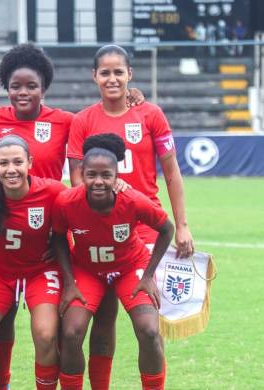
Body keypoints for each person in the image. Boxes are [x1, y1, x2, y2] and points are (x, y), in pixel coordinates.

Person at [0, 42, 141, 389]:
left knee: (55, 330)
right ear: (6, 86)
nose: (23, 93)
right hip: (6, 239)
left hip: (52, 240)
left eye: (31, 86)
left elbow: (99, 136)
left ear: (44, 87)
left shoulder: (67, 120)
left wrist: (128, 99)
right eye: (15, 86)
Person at [67, 44, 194, 390]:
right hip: (99, 235)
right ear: (94, 76)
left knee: (148, 324)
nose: (112, 78)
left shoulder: (150, 115)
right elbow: (78, 181)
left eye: (118, 72)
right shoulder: (83, 120)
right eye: (104, 72)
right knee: (103, 322)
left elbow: (171, 172)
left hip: (145, 236)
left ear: (130, 75)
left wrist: (181, 225)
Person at [52, 133, 174, 390]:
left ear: (117, 176)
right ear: (81, 174)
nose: (98, 181)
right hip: (87, 270)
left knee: (150, 331)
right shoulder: (66, 202)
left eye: (106, 175)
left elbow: (166, 229)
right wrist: (69, 282)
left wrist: (148, 275)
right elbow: (59, 238)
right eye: (91, 175)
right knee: (72, 332)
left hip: (130, 267)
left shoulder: (132, 200)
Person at [0, 135, 66, 390]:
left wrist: (59, 243)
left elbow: (82, 212)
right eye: (4, 163)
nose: (11, 169)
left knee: (45, 335)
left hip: (40, 272)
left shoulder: (53, 191)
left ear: (30, 162)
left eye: (18, 162)